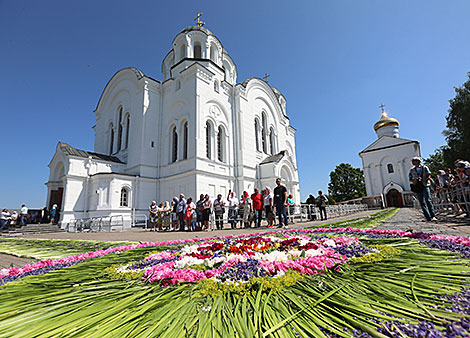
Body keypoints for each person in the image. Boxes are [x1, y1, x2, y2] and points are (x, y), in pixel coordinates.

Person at [409, 157, 437, 222]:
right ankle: (427, 217)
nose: (413, 162)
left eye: (414, 161)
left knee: (428, 200)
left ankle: (433, 216)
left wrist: (424, 180)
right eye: (412, 161)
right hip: (418, 186)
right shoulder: (412, 170)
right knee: (421, 202)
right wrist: (414, 180)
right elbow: (410, 178)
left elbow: (429, 175)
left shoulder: (424, 167)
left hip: (425, 185)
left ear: (418, 161)